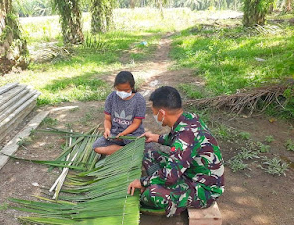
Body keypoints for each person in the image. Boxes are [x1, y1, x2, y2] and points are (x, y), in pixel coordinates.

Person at [127, 86, 224, 217]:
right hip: (188, 172)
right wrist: (157, 138)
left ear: (161, 113)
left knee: (152, 194)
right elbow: (177, 138)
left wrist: (143, 182)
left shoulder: (185, 136)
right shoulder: (189, 118)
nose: (154, 115)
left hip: (204, 188)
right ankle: (157, 182)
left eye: (154, 112)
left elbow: (170, 177)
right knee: (149, 154)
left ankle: (170, 202)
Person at [93, 71, 146, 155]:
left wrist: (123, 134)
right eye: (119, 90)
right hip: (114, 134)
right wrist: (107, 130)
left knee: (138, 142)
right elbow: (107, 119)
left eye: (126, 90)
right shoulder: (111, 97)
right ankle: (129, 151)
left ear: (132, 87)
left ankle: (127, 151)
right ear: (115, 87)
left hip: (132, 134)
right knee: (97, 147)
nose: (122, 93)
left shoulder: (139, 100)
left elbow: (136, 123)